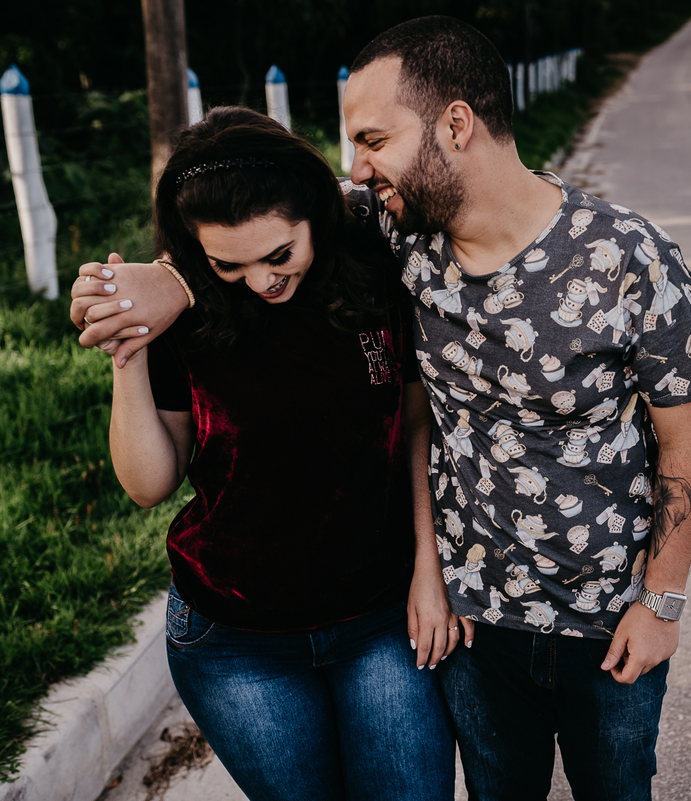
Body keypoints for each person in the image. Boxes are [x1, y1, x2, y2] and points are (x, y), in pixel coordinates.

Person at [73, 16, 691, 801]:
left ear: (455, 123)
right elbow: (263, 215)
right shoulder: (396, 232)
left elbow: (686, 436)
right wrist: (167, 283)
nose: (358, 165)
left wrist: (662, 601)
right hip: (474, 622)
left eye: (373, 139)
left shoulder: (630, 260)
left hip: (605, 616)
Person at [77, 106, 455, 801]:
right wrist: (126, 350)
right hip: (235, 640)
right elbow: (148, 483)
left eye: (279, 254)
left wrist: (428, 571)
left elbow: (415, 427)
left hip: (379, 615)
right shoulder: (180, 313)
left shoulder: (374, 268)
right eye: (227, 263)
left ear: (314, 214)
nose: (261, 281)